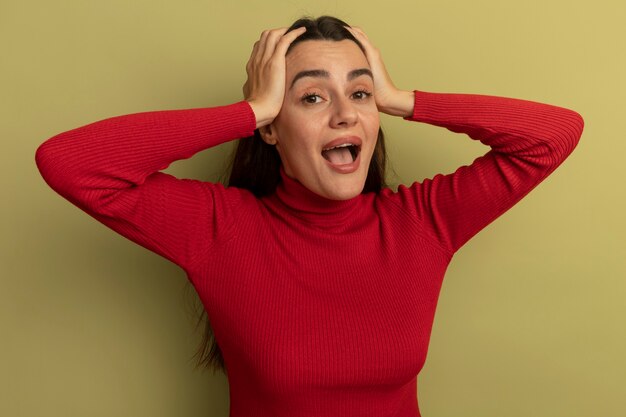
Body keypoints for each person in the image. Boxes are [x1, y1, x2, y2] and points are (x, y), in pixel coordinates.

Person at [35, 15, 584, 417]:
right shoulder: (220, 228)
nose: (346, 113)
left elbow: (553, 136)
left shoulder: (421, 221)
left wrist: (401, 98)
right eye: (312, 98)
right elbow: (69, 164)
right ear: (272, 128)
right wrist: (248, 111)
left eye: (359, 93)